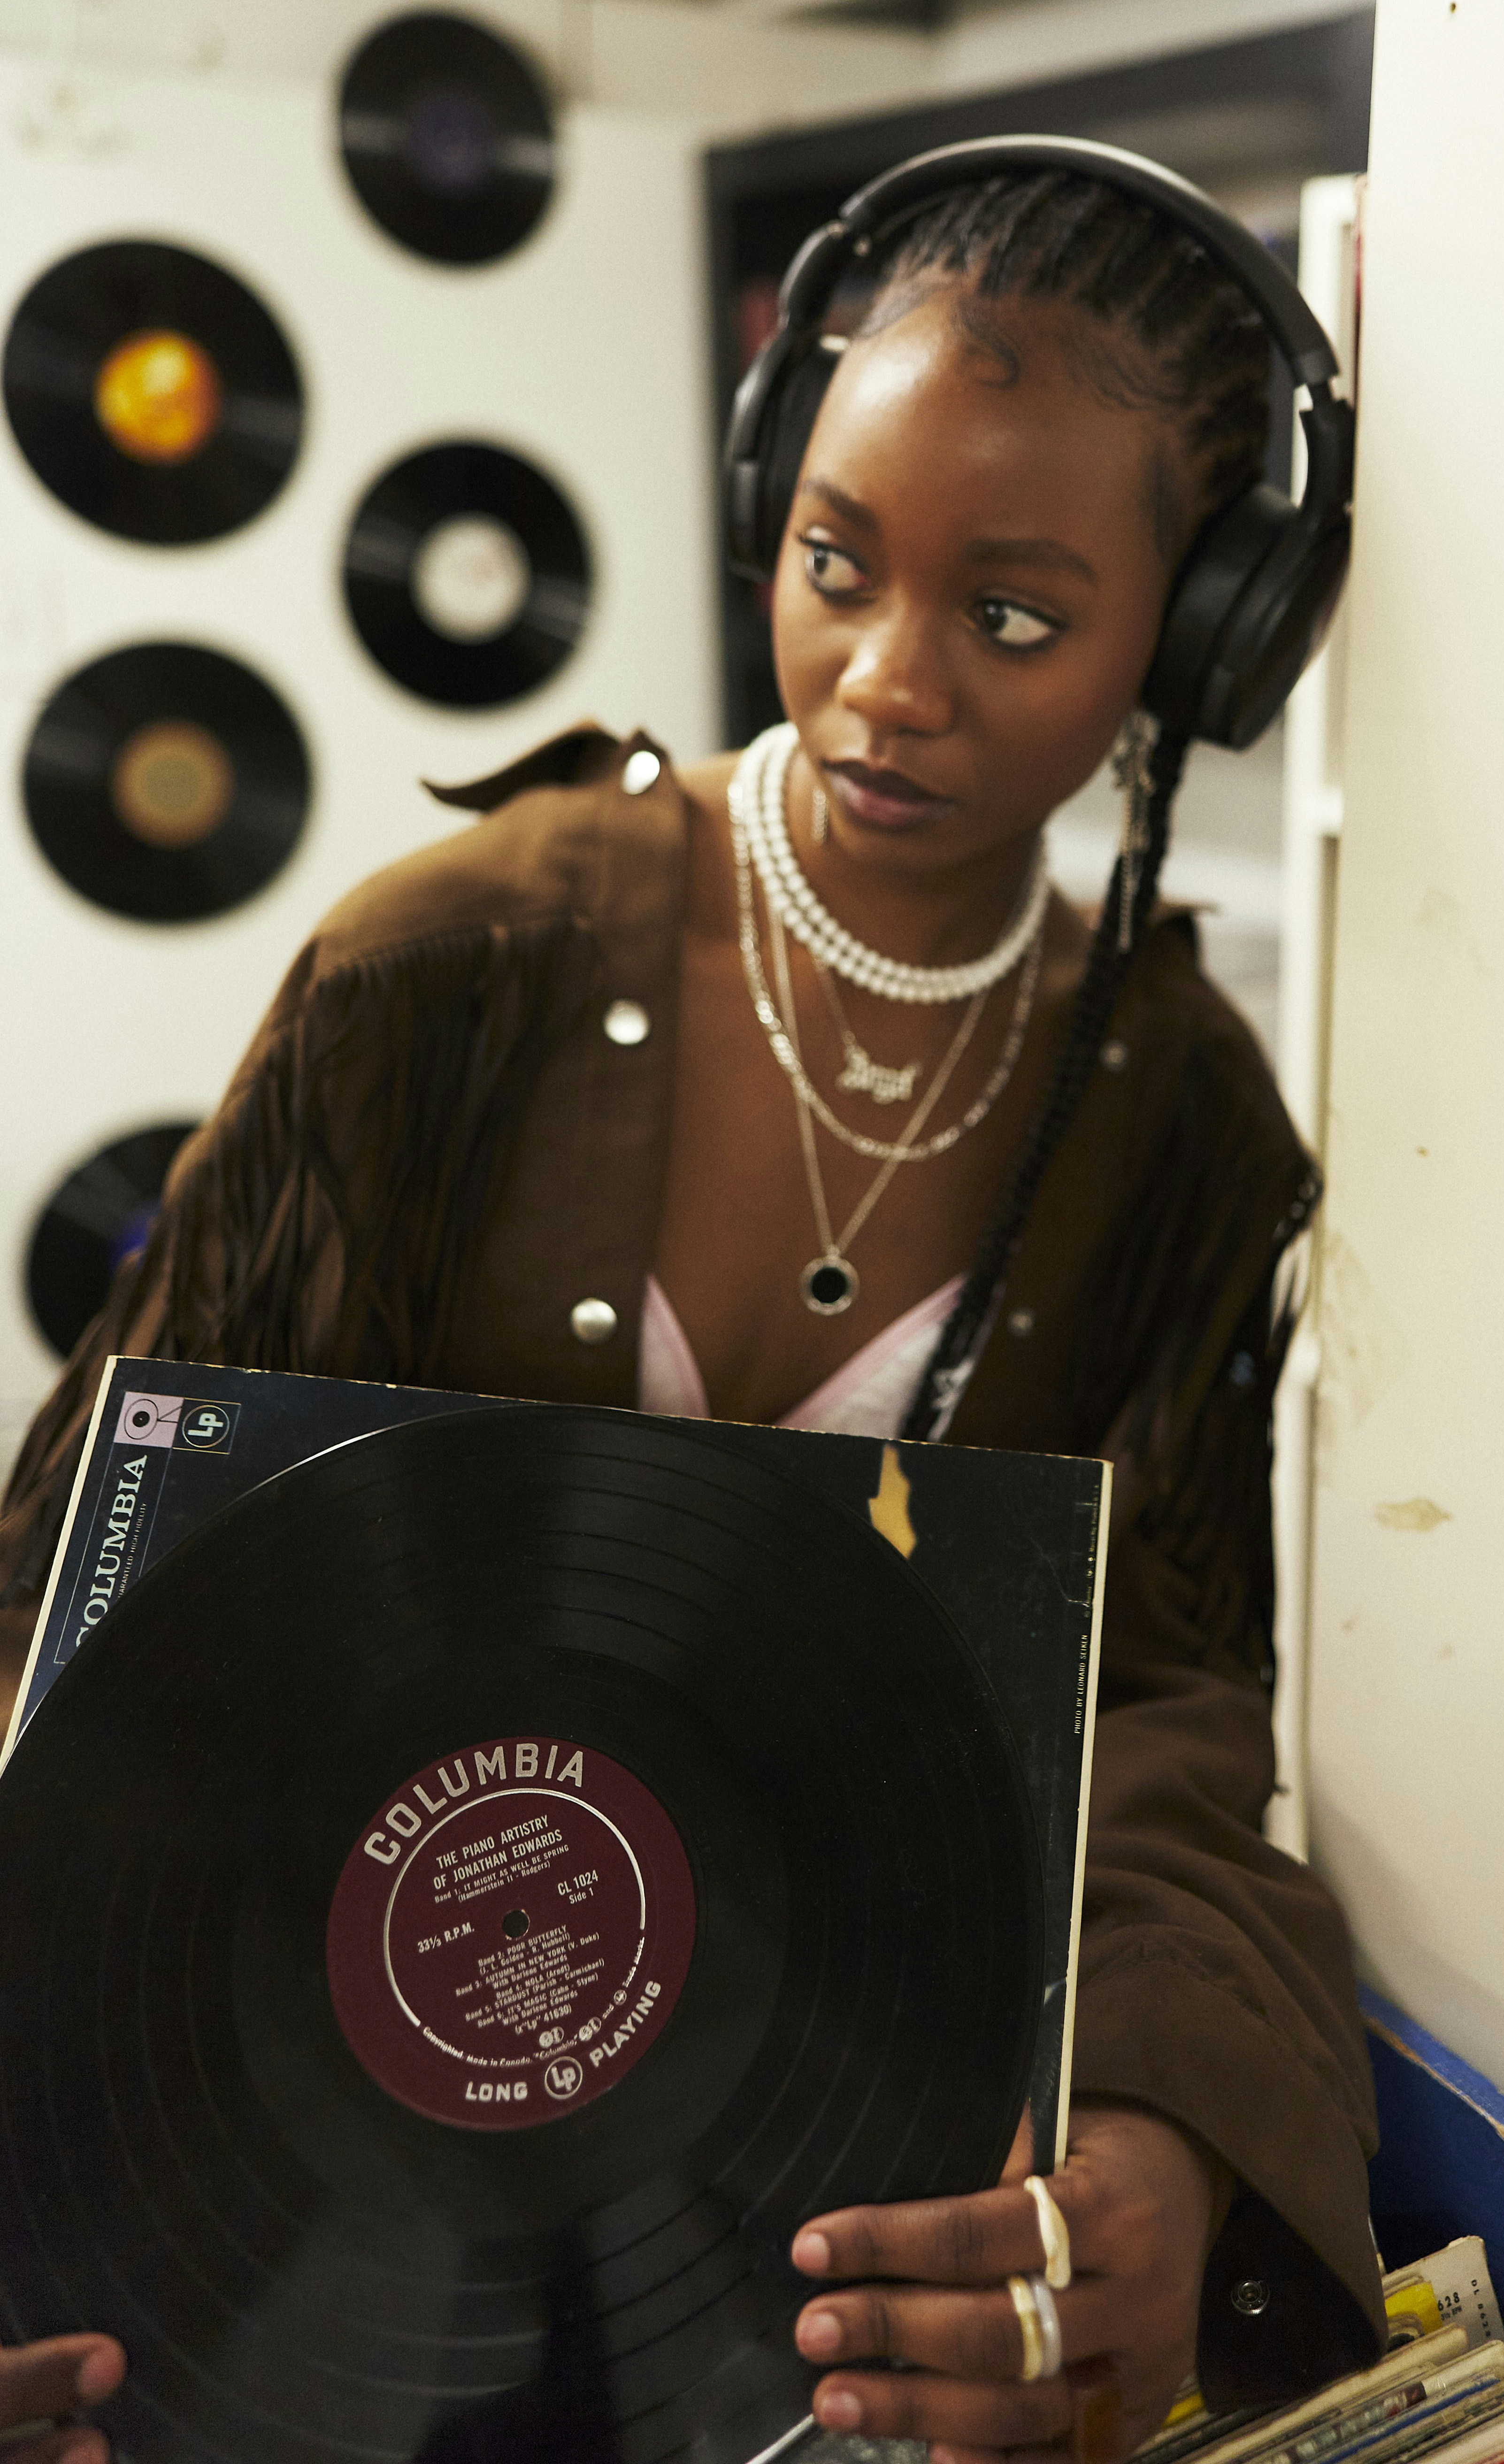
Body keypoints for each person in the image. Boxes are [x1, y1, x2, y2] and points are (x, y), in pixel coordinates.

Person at [0, 153, 1382, 2464]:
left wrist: (1156, 2141)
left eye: (1016, 621)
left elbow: (1151, 1710)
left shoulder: (1181, 1125)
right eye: (832, 565)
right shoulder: (449, 963)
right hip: (288, 2200)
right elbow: (90, 1594)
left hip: (779, 2245)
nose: (885, 685)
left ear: (1205, 637)